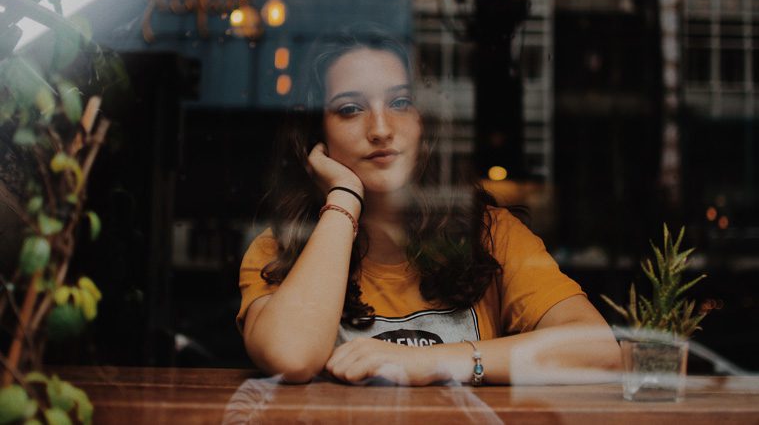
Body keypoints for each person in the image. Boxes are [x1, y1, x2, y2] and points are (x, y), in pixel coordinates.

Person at [237, 25, 621, 385]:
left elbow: (598, 352)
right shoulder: (280, 249)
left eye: (401, 102)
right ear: (317, 133)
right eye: (350, 109)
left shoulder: (491, 235)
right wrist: (344, 196)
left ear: (425, 122)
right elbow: (292, 357)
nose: (381, 129)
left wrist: (431, 362)